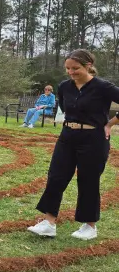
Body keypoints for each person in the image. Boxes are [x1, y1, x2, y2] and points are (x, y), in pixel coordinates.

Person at [28, 49, 119, 241]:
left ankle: (89, 226)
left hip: (93, 138)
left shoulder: (103, 87)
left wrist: (110, 124)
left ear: (88, 66)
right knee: (56, 177)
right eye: (68, 68)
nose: (71, 72)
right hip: (67, 137)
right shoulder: (64, 87)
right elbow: (64, 108)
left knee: (88, 180)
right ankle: (48, 223)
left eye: (75, 68)